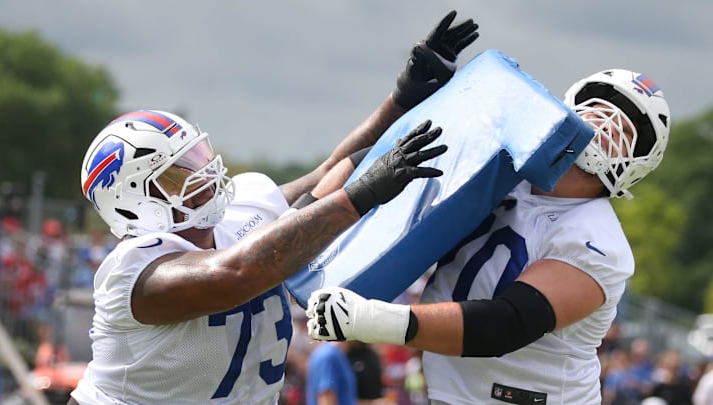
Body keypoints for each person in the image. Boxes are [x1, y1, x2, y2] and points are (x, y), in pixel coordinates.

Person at [68, 11, 478, 405]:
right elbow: (238, 273)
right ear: (132, 201)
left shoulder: (238, 213)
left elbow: (327, 175)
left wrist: (402, 100)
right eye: (177, 174)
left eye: (195, 157)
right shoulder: (134, 271)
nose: (202, 174)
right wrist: (364, 193)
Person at [306, 64, 672, 404]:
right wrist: (411, 104)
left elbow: (507, 323)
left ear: (639, 162)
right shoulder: (501, 168)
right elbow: (377, 166)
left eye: (624, 131)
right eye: (596, 107)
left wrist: (371, 320)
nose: (604, 125)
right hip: (451, 391)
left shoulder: (599, 240)